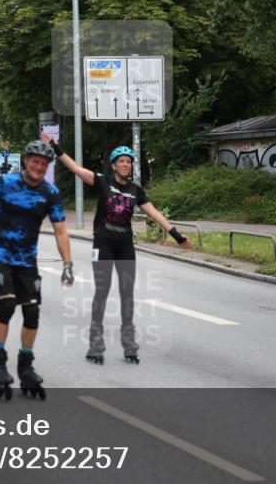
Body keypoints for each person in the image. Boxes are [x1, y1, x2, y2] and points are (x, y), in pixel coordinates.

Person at [41, 132, 191, 365]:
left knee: (127, 295)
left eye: (128, 161)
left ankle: (129, 345)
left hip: (124, 245)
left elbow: (154, 213)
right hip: (103, 242)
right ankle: (96, 345)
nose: (125, 164)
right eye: (121, 161)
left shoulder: (135, 190)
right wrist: (55, 148)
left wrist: (177, 235)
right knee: (102, 292)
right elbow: (76, 169)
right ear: (114, 165)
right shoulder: (103, 181)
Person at [0, 140, 74, 400]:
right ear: (26, 161)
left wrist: (67, 264)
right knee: (7, 305)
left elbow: (60, 230)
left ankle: (26, 365)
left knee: (32, 312)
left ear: (46, 167)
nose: (38, 166)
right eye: (35, 161)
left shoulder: (50, 193)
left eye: (43, 164)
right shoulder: (5, 184)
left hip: (27, 260)